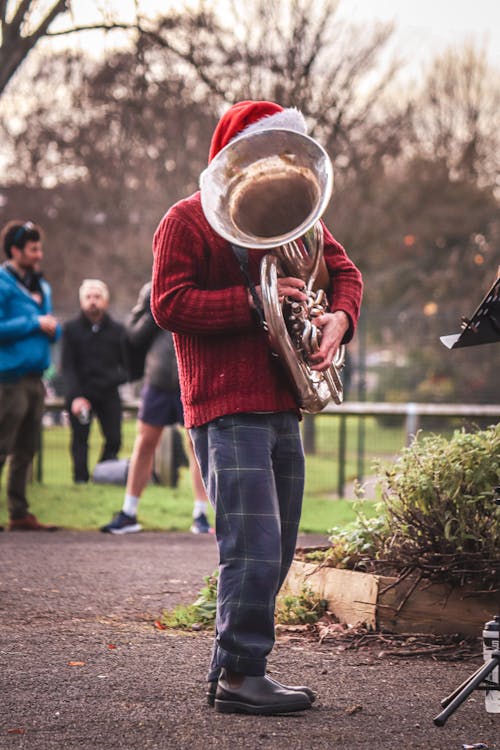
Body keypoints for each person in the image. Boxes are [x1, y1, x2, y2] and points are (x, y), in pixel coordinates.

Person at [151, 100, 363, 715]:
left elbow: (346, 272)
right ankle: (243, 677)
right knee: (253, 543)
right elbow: (169, 304)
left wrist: (338, 319)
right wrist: (254, 302)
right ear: (231, 157)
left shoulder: (300, 220)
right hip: (224, 402)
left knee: (280, 543)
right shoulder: (186, 219)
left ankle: (235, 669)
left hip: (280, 402)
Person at [100, 281, 212, 534]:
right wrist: (155, 308)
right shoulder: (152, 289)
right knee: (144, 444)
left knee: (196, 447)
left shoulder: (201, 283)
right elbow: (133, 334)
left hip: (193, 380)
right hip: (158, 381)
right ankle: (129, 513)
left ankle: (201, 516)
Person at [0, 220, 60, 531]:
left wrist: (52, 327)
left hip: (36, 377)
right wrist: (33, 322)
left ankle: (19, 512)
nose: (39, 255)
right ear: (15, 250)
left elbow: (49, 324)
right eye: (33, 249)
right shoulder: (2, 283)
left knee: (26, 449)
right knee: (2, 444)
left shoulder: (39, 284)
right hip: (8, 380)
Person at [61, 279, 128, 484]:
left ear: (106, 301)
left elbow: (127, 367)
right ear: (81, 301)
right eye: (88, 297)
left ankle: (103, 475)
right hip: (81, 394)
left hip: (108, 393)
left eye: (97, 297)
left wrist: (111, 381)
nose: (93, 302)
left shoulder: (118, 330)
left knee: (114, 438)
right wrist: (76, 396)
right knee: (80, 439)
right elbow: (68, 367)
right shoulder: (71, 329)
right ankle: (80, 480)